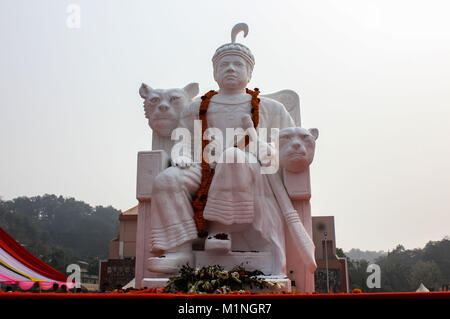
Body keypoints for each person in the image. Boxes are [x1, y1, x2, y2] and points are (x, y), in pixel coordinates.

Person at [147, 24, 295, 276]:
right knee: (167, 179)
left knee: (232, 156)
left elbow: (285, 145)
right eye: (223, 65)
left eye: (238, 64)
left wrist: (259, 144)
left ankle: (221, 230)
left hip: (250, 170)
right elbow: (183, 139)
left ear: (249, 72)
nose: (230, 69)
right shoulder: (195, 109)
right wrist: (180, 153)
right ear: (215, 72)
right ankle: (179, 250)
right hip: (202, 166)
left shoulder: (271, 109)